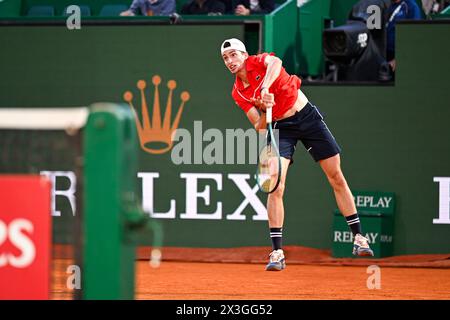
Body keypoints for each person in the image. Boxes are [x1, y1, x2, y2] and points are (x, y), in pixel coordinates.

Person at [220, 38, 374, 271]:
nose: (230, 61)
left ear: (244, 54)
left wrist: (264, 88)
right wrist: (265, 107)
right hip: (281, 128)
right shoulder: (238, 93)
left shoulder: (260, 61)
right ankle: (277, 252)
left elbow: (276, 62)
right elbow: (259, 126)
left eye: (233, 55)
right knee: (275, 186)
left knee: (335, 176)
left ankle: (359, 238)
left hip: (307, 117)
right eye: (225, 58)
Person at [386, 0, 422, 71]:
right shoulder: (386, 5)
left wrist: (399, 58)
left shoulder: (411, 6)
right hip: (384, 55)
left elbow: (414, 36)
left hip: (400, 56)